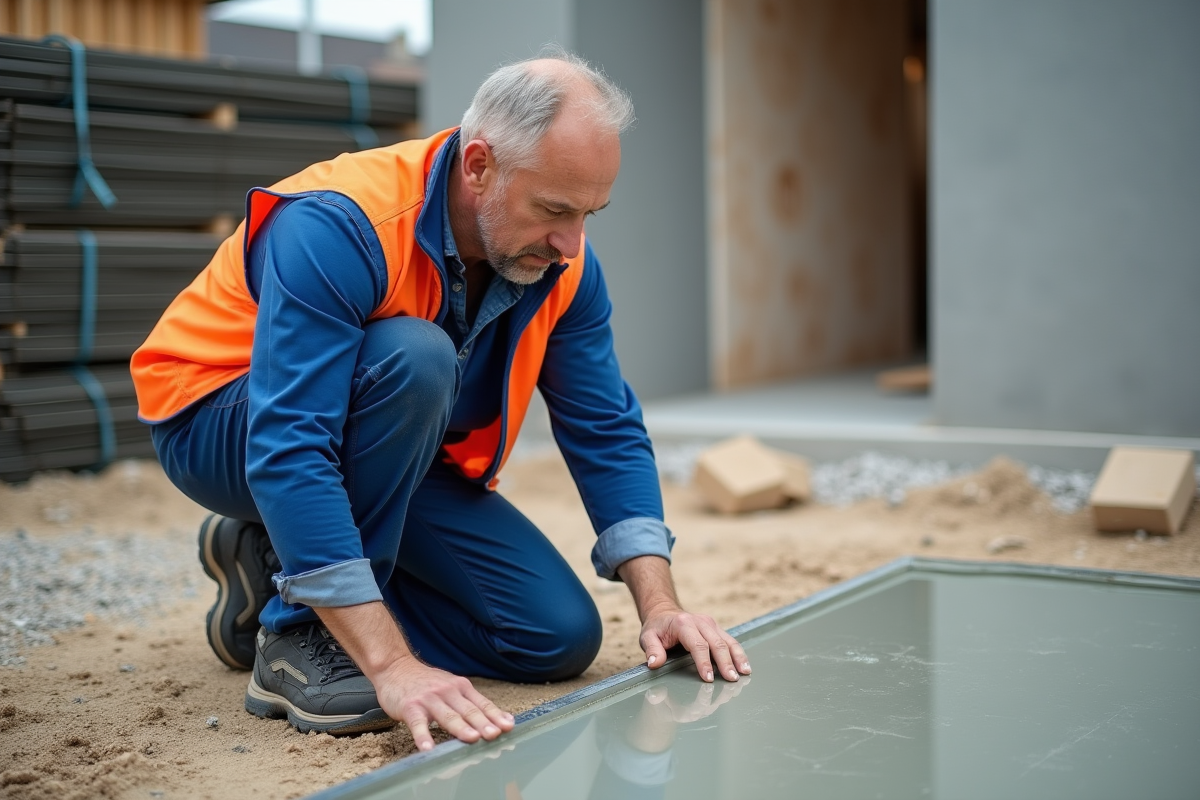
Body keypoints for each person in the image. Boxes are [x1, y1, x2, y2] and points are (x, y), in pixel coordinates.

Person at [131, 50, 750, 751]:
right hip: (221, 420)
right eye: (554, 209)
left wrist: (660, 605)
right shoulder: (341, 223)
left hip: (384, 447)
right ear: (479, 164)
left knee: (553, 637)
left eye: (589, 213)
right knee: (414, 357)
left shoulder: (564, 262)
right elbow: (291, 444)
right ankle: (295, 638)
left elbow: (604, 427)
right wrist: (391, 665)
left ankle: (273, 555)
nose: (571, 243)